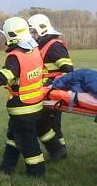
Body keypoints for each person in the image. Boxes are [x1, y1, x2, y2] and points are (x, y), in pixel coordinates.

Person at [0, 16, 46, 177]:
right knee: (13, 136)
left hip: (23, 108)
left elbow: (3, 77)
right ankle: (7, 166)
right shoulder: (34, 51)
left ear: (12, 36)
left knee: (28, 142)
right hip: (35, 104)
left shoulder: (15, 57)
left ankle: (36, 172)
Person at [28, 13, 73, 160]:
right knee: (47, 124)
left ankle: (59, 152)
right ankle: (59, 152)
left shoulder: (54, 46)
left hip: (55, 92)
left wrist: (53, 85)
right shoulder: (42, 46)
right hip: (46, 92)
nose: (32, 35)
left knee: (51, 124)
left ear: (42, 30)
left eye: (33, 32)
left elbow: (69, 71)